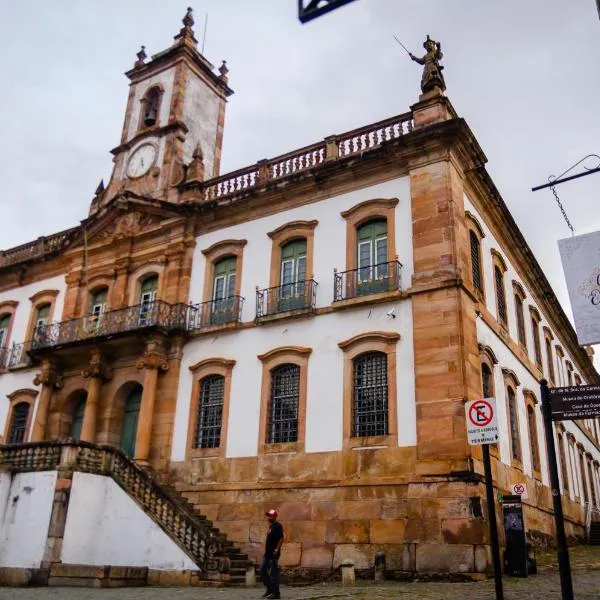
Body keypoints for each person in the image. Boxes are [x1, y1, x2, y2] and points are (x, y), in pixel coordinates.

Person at [259, 509, 284, 599]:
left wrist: (277, 549)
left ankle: (276, 593)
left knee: (274, 574)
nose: (269, 517)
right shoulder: (271, 526)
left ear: (275, 516)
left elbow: (281, 539)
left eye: (271, 515)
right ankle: (269, 589)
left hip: (274, 554)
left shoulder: (278, 526)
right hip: (267, 554)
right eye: (268, 515)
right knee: (262, 570)